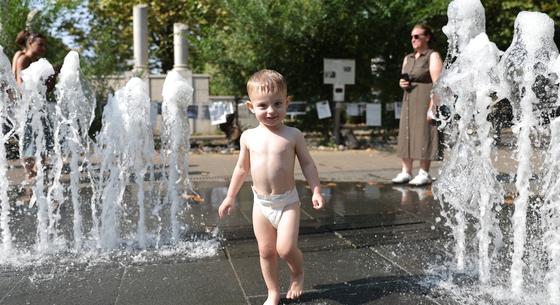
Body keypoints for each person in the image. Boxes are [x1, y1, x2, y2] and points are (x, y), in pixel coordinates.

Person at [218, 69, 325, 305]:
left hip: (287, 202)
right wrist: (230, 197)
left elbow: (307, 164)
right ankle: (273, 292)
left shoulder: (292, 135)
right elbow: (241, 169)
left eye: (277, 103)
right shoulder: (248, 137)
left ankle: (297, 273)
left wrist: (315, 189)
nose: (271, 111)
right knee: (266, 251)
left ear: (287, 102)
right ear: (250, 107)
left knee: (285, 249)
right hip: (262, 204)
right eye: (263, 105)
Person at [392, 24, 443, 186]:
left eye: (417, 36)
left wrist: (433, 105)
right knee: (406, 132)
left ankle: (424, 172)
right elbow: (403, 77)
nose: (413, 40)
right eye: (412, 37)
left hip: (425, 100)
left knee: (424, 134)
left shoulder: (432, 56)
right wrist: (402, 83)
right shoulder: (408, 58)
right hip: (409, 100)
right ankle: (406, 171)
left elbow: (438, 82)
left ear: (427, 37)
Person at [13, 32, 48, 180]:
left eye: (44, 45)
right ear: (30, 43)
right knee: (30, 139)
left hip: (34, 105)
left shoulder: (26, 58)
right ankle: (30, 173)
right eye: (40, 44)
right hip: (29, 106)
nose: (43, 48)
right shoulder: (24, 59)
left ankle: (35, 172)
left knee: (40, 137)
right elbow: (22, 85)